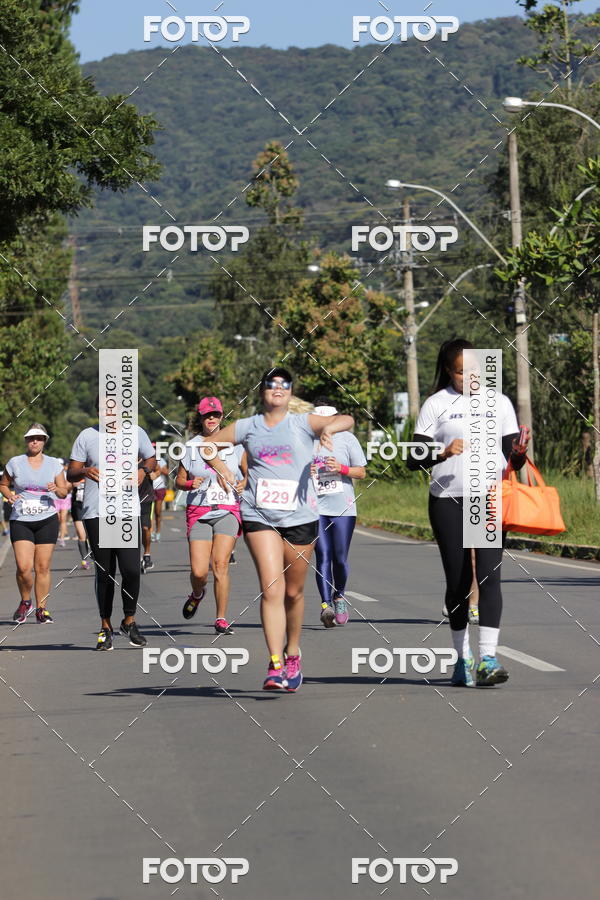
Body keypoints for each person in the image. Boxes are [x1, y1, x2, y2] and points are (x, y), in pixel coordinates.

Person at [203, 368, 355, 692]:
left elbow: (347, 419)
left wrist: (330, 427)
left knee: (293, 592)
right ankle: (274, 665)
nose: (277, 389)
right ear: (262, 392)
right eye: (271, 384)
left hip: (300, 517)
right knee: (272, 588)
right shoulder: (248, 426)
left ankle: (292, 652)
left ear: (290, 392)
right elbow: (208, 446)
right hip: (260, 515)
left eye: (284, 384)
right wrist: (224, 471)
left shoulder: (302, 422)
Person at [408, 338, 530, 687]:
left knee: (489, 576)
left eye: (474, 370)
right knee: (459, 582)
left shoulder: (500, 403)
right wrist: (442, 453)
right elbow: (413, 457)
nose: (470, 378)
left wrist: (520, 452)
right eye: (462, 372)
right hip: (447, 500)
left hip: (486, 498)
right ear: (449, 371)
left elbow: (512, 459)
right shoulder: (436, 404)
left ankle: (488, 659)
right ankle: (462, 660)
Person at [67, 404, 156, 650]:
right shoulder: (87, 436)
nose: (109, 413)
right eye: (104, 409)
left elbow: (151, 458)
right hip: (98, 512)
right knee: (105, 572)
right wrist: (85, 470)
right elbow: (71, 473)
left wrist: (143, 470)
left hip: (126, 511)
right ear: (97, 411)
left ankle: (129, 620)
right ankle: (105, 626)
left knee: (131, 570)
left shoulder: (136, 432)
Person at [176, 396, 247, 634]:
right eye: (207, 415)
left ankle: (221, 619)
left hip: (227, 508)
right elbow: (178, 480)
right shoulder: (191, 446)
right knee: (199, 572)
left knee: (220, 564)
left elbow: (249, 473)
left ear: (221, 417)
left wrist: (243, 484)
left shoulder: (235, 445)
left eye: (215, 415)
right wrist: (189, 483)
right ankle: (197, 593)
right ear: (201, 417)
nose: (212, 419)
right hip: (199, 510)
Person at [0, 424, 68, 624]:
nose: (35, 441)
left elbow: (64, 492)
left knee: (43, 567)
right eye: (31, 438)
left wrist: (56, 489)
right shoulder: (15, 462)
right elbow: (3, 484)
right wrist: (9, 496)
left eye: (39, 438)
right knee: (23, 567)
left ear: (45, 441)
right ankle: (25, 601)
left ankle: (42, 609)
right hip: (21, 519)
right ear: (26, 440)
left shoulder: (54, 464)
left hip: (47, 519)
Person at [310, 397, 366, 628]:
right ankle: (326, 606)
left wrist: (341, 468)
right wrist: (307, 470)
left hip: (343, 507)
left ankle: (339, 596)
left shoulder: (347, 439)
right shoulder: (306, 439)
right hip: (315, 508)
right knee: (322, 556)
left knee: (339, 559)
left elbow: (361, 472)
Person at [139, 455, 155, 573]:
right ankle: (136, 558)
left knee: (145, 528)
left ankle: (147, 554)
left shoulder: (147, 460)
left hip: (145, 498)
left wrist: (155, 474)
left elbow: (158, 469)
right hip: (127, 500)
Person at [71, 476, 91, 569]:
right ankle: (84, 560)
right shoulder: (75, 472)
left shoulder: (94, 471)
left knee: (91, 535)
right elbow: (64, 488)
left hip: (92, 506)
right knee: (81, 535)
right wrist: (72, 485)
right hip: (77, 506)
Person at [150, 448, 169, 542]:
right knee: (150, 512)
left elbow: (167, 472)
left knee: (157, 512)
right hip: (149, 488)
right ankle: (151, 532)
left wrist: (160, 469)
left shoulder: (161, 460)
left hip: (160, 488)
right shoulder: (148, 460)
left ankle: (158, 532)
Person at [55, 461, 73, 547]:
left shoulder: (66, 474)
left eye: (61, 464)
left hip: (66, 498)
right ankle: (56, 535)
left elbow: (69, 486)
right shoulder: (52, 473)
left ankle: (61, 539)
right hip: (55, 498)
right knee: (57, 518)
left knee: (63, 518)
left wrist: (66, 487)